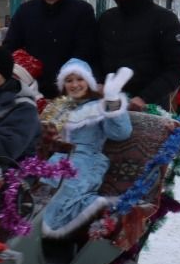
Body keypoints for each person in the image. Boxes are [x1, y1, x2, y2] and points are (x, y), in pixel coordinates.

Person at [39, 59, 134, 239]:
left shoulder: (97, 107)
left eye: (79, 79)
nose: (74, 85)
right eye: (69, 80)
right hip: (56, 161)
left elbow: (121, 132)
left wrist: (112, 98)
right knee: (38, 194)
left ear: (88, 82)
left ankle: (100, 209)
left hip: (86, 161)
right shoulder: (58, 107)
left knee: (63, 196)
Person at [97, 0, 180, 111]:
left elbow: (178, 68)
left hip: (148, 107)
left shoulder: (164, 20)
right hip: (109, 103)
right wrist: (99, 82)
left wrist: (146, 97)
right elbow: (95, 56)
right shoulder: (107, 19)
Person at [2, 0, 99, 98]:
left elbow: (85, 50)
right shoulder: (26, 11)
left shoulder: (82, 11)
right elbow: (10, 46)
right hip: (30, 86)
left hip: (68, 88)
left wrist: (70, 80)